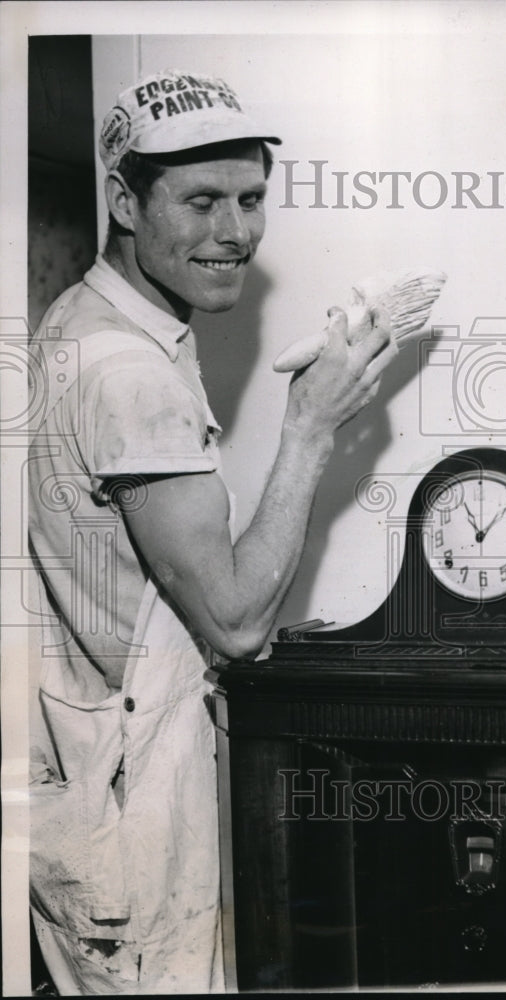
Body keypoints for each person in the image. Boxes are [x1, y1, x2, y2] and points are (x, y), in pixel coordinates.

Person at [27, 68, 395, 995]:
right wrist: (312, 428)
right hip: (131, 813)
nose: (235, 233)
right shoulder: (131, 376)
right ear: (122, 200)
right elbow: (234, 624)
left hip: (89, 789)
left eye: (250, 199)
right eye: (200, 201)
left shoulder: (83, 318)